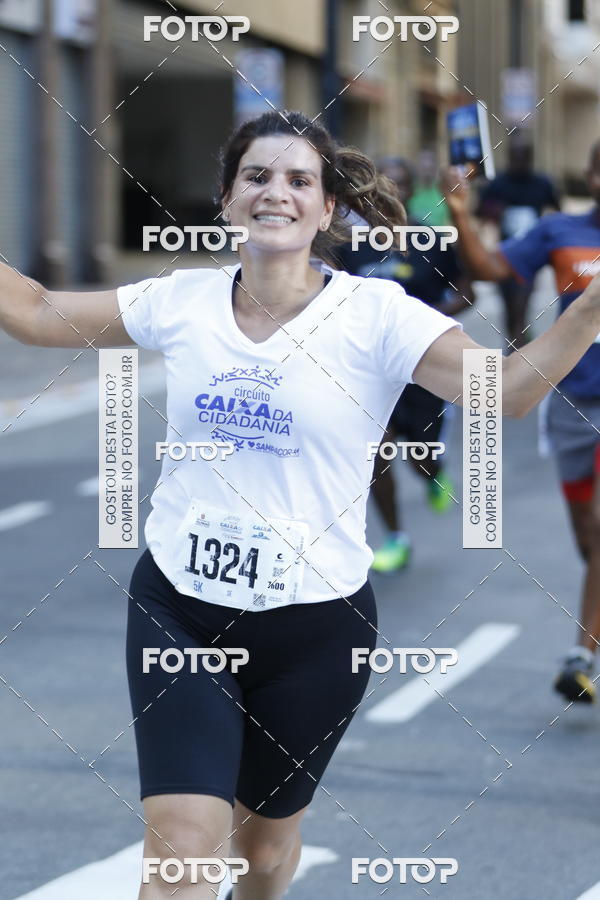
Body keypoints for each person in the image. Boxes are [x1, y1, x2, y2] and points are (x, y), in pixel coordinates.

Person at [3, 111, 600, 899]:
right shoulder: (180, 301)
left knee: (265, 854)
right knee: (183, 849)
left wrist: (587, 312)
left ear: (326, 209)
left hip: (317, 627)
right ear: (227, 200)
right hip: (181, 609)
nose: (274, 193)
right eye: (255, 176)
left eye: (298, 180)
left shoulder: (378, 316)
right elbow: (36, 312)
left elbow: (507, 392)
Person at [442, 140, 600, 704]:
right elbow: (490, 269)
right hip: (572, 402)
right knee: (588, 536)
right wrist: (460, 213)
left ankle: (580, 655)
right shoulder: (559, 231)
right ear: (590, 175)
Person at [338, 157, 473, 573]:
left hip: (421, 366)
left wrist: (424, 322)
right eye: (384, 185)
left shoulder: (431, 241)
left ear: (413, 191)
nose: (390, 194)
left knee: (420, 455)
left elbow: (467, 292)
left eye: (400, 184)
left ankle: (434, 472)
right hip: (368, 371)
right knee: (376, 452)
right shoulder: (348, 246)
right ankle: (396, 538)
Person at [478, 132, 561, 349]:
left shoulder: (542, 183)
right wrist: (493, 212)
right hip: (504, 255)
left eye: (524, 156)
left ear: (530, 157)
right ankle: (515, 345)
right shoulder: (498, 183)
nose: (519, 161)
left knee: (520, 307)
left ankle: (519, 350)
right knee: (509, 308)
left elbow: (557, 211)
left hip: (531, 257)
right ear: (509, 157)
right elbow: (480, 212)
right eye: (515, 156)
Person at [408, 148, 451, 228]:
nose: (427, 173)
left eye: (430, 169)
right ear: (417, 167)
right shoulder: (409, 190)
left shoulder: (444, 191)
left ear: (436, 168)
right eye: (424, 169)